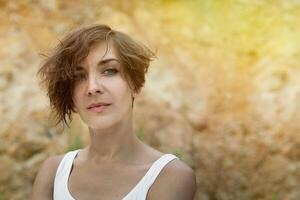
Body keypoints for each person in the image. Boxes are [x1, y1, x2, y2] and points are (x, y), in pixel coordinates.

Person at [31, 24, 196, 200]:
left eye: (109, 71)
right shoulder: (53, 173)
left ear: (136, 85)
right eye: (79, 76)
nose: (92, 87)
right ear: (70, 96)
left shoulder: (170, 176)